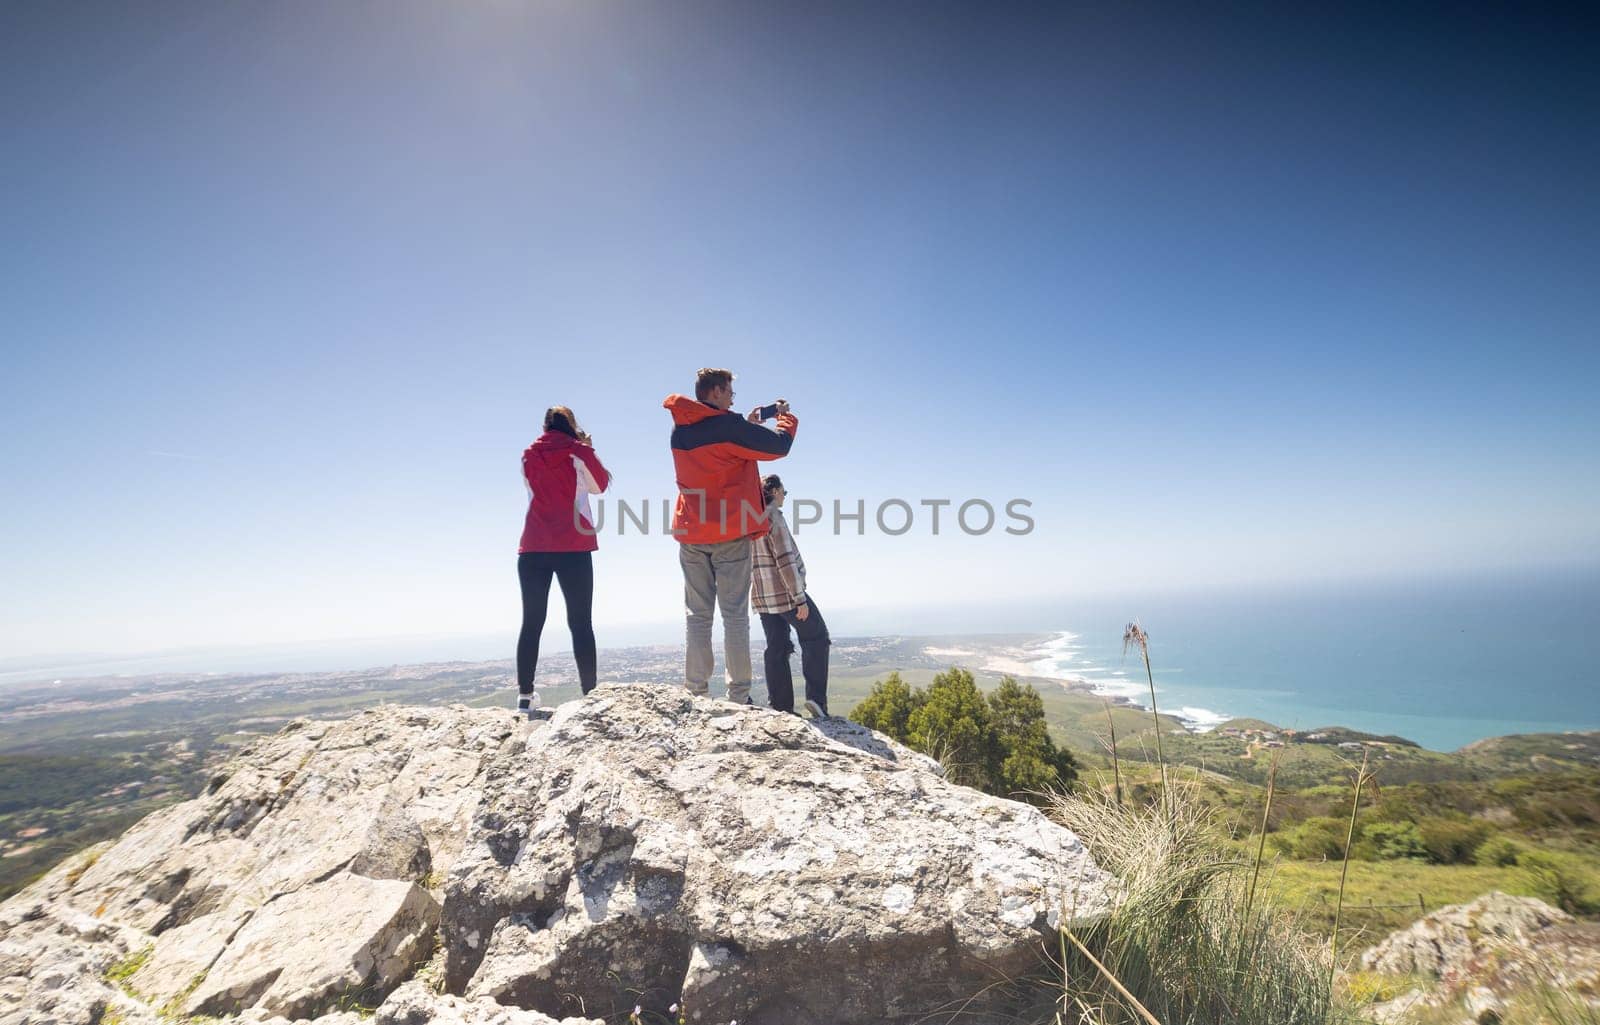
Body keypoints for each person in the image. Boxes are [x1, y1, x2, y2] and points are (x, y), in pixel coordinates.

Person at [663, 368, 798, 704]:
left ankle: (695, 691)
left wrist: (749, 424)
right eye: (731, 393)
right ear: (718, 391)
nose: (733, 398)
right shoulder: (728, 427)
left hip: (692, 531)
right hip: (730, 532)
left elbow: (722, 453)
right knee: (735, 615)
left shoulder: (680, 431)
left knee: (697, 615)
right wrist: (785, 418)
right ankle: (738, 695)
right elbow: (778, 448)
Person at [516, 406, 610, 716]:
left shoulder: (528, 455)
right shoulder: (578, 451)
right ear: (572, 426)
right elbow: (600, 486)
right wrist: (588, 449)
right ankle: (590, 694)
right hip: (573, 545)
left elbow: (534, 490)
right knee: (580, 622)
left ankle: (525, 695)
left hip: (533, 547)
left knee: (532, 622)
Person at [752, 474, 831, 718]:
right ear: (774, 492)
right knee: (817, 637)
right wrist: (799, 598)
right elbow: (785, 559)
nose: (784, 497)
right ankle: (816, 700)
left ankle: (781, 706)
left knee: (777, 646)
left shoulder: (749, 518)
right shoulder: (773, 516)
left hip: (762, 598)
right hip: (785, 595)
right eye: (784, 493)